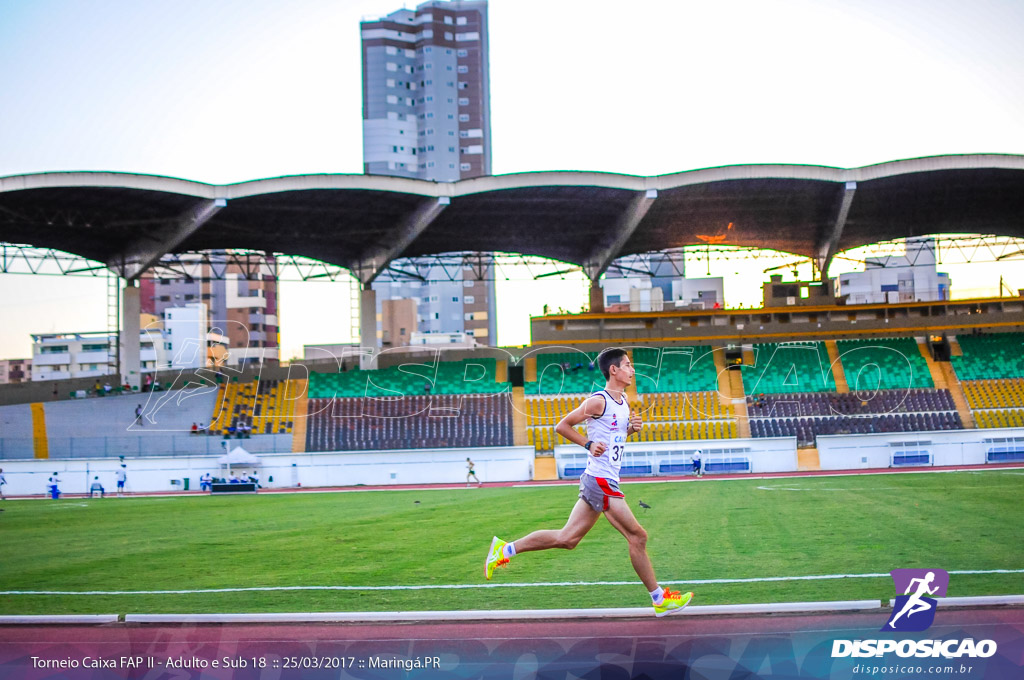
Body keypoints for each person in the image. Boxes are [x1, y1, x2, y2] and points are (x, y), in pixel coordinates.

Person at [484, 348, 693, 617]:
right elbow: (562, 425)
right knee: (638, 536)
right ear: (614, 370)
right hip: (600, 480)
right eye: (628, 365)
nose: (632, 370)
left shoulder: (623, 402)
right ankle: (659, 598)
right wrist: (588, 443)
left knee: (568, 539)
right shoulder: (598, 401)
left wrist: (630, 429)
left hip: (603, 479)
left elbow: (613, 436)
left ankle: (505, 549)